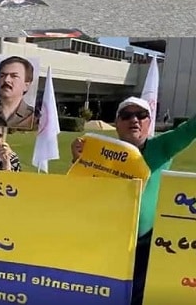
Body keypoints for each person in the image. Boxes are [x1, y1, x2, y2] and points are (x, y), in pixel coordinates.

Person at [70, 97, 196, 305]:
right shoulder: (98, 150)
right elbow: (79, 191)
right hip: (107, 242)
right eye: (127, 115)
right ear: (117, 123)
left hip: (147, 244)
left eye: (141, 115)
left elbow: (190, 129)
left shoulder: (162, 147)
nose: (134, 120)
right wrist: (77, 159)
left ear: (149, 121)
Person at [0, 56, 37, 130]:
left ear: (26, 85)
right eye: (2, 76)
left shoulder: (33, 117)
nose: (6, 80)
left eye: (14, 76)